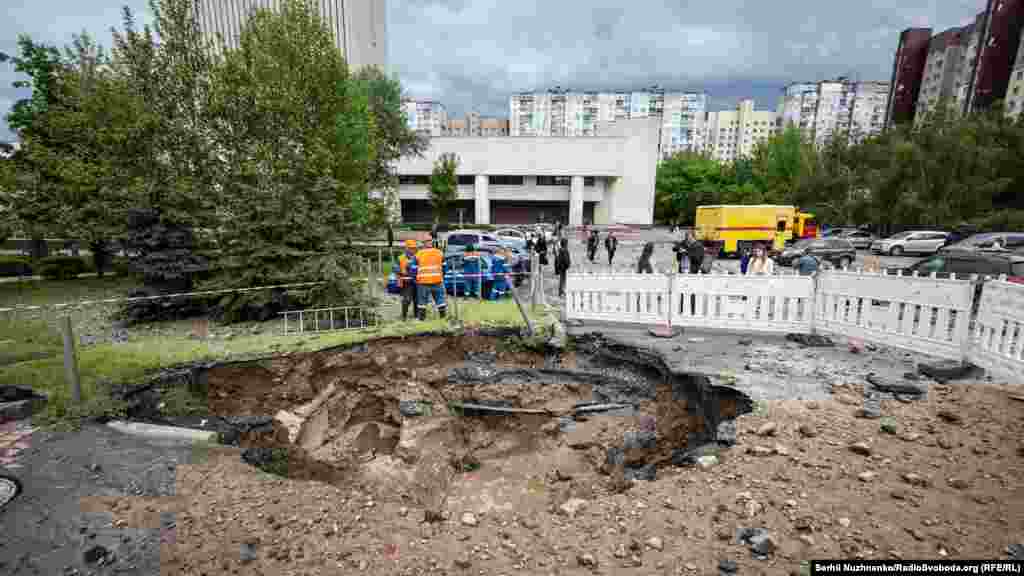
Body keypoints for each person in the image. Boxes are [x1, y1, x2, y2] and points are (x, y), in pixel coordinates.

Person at [413, 241, 447, 320]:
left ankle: (422, 318)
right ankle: (443, 317)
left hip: (423, 281)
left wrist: (415, 278)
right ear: (432, 243)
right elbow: (445, 266)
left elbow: (413, 268)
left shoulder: (419, 254)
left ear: (424, 244)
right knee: (440, 299)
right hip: (437, 280)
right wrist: (442, 275)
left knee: (422, 300)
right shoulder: (439, 253)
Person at [396, 240, 418, 321]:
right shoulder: (400, 258)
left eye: (414, 248)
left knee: (417, 300)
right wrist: (401, 271)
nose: (412, 250)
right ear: (406, 248)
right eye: (411, 248)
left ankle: (417, 317)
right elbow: (395, 268)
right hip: (406, 282)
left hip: (417, 281)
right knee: (407, 300)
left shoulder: (418, 257)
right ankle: (404, 316)